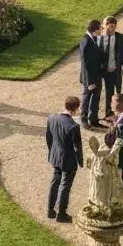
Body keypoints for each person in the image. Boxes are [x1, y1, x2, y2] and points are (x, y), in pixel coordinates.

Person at [46, 95, 84, 223]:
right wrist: (81, 161)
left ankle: (50, 210)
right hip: (68, 160)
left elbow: (49, 138)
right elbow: (78, 147)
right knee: (65, 186)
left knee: (55, 182)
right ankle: (61, 214)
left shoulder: (51, 118)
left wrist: (52, 152)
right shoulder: (73, 126)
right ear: (76, 109)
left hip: (56, 156)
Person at [99, 16, 123, 121]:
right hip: (105, 69)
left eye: (114, 27)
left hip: (116, 69)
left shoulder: (121, 37)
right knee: (109, 91)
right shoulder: (99, 38)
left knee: (118, 91)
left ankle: (119, 111)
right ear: (105, 26)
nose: (112, 29)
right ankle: (109, 113)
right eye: (110, 26)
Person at [78, 19, 103, 128]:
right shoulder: (86, 41)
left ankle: (94, 119)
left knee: (96, 98)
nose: (101, 30)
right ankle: (83, 120)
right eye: (100, 28)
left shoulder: (94, 39)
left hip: (97, 75)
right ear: (95, 29)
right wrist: (89, 82)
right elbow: (85, 63)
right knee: (86, 98)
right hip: (90, 78)